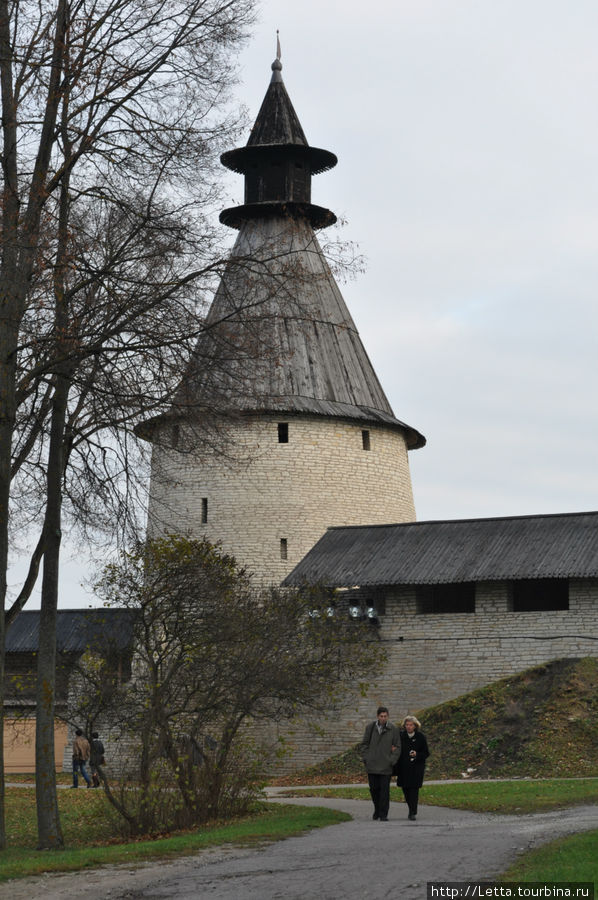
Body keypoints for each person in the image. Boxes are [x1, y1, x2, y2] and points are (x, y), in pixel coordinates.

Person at [359, 706, 400, 821]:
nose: (383, 718)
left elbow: (397, 747)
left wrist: (392, 760)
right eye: (381, 716)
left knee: (384, 791)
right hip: (372, 765)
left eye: (385, 716)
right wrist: (367, 758)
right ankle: (377, 809)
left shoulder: (393, 729)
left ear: (388, 716)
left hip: (386, 765)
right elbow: (364, 744)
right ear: (377, 716)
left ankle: (383, 814)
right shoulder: (370, 728)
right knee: (374, 789)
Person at [394, 715, 429, 820]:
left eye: (411, 725)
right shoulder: (400, 736)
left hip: (416, 768)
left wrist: (417, 754)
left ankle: (412, 812)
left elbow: (426, 753)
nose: (408, 727)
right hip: (403, 768)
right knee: (406, 790)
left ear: (415, 726)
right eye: (407, 725)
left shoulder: (420, 737)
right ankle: (411, 808)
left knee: (414, 790)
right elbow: (395, 748)